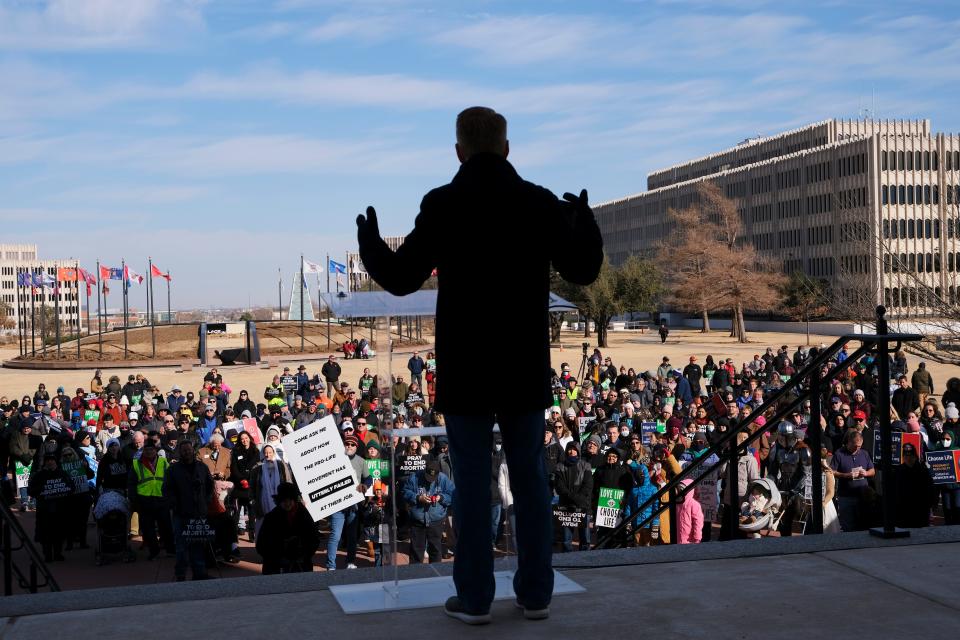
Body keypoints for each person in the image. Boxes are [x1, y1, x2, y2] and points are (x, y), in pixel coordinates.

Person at [357, 106, 602, 623]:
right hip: (521, 368)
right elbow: (583, 268)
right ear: (507, 148)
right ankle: (536, 594)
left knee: (470, 483)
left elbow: (402, 278)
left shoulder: (444, 203)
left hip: (468, 371)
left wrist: (371, 246)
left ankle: (474, 599)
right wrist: (585, 224)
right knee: (532, 481)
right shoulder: (536, 202)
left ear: (459, 151)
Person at [163, 440, 214, 581]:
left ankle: (199, 573)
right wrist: (175, 505)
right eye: (184, 450)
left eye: (189, 450)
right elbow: (167, 490)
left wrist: (206, 500)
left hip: (199, 512)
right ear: (180, 452)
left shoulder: (202, 467)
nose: (187, 452)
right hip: (181, 513)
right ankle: (180, 574)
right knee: (181, 546)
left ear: (193, 451)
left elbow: (210, 485)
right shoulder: (173, 470)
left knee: (198, 544)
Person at [256, 482, 319, 574]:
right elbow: (261, 545)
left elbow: (314, 539)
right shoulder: (271, 517)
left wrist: (302, 552)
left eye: (290, 500)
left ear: (294, 500)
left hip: (301, 565)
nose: (287, 503)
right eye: (284, 501)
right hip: (276, 567)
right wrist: (278, 552)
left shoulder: (304, 516)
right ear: (279, 501)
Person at [402, 459, 454, 564]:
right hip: (418, 520)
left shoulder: (443, 479)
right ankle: (414, 576)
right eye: (428, 477)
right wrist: (417, 497)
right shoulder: (414, 477)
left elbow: (452, 494)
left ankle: (435, 578)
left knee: (435, 550)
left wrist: (441, 497)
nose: (430, 480)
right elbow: (405, 492)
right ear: (425, 471)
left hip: (436, 520)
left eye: (433, 478)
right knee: (416, 551)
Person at [128, 440, 174, 559]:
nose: (149, 452)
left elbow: (170, 480)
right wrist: (134, 500)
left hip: (161, 498)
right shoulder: (136, 463)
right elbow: (131, 484)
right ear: (143, 451)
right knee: (148, 528)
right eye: (147, 450)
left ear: (156, 451)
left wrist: (170, 497)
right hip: (144, 499)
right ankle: (154, 551)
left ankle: (170, 549)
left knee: (166, 526)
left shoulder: (163, 462)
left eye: (151, 450)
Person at [28, 454, 73, 562]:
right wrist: (43, 489)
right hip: (44, 510)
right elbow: (31, 491)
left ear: (56, 462)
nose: (50, 462)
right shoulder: (39, 476)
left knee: (59, 533)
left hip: (60, 509)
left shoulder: (63, 474)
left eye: (52, 460)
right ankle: (47, 554)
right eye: (48, 460)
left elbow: (71, 487)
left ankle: (57, 553)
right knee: (45, 533)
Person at [829, 430, 875, 532]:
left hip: (863, 497)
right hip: (846, 496)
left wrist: (866, 473)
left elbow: (872, 471)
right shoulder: (839, 453)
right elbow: (831, 471)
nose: (857, 448)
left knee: (863, 525)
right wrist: (846, 475)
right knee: (848, 526)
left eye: (859, 446)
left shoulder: (864, 453)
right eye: (855, 445)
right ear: (848, 442)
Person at [249, 444, 293, 539]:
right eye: (265, 453)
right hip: (263, 502)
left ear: (274, 453)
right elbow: (252, 486)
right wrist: (252, 499)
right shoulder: (257, 467)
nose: (268, 455)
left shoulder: (281, 465)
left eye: (270, 452)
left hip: (280, 502)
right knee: (264, 527)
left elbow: (288, 481)